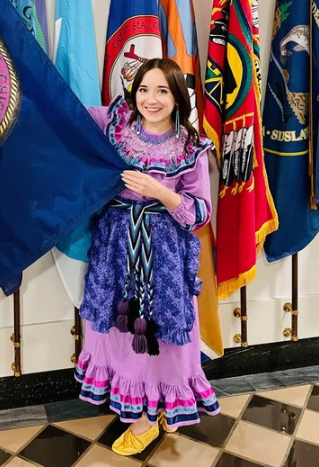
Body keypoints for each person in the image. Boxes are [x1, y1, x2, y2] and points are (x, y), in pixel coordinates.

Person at [74, 57, 220, 456]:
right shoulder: (115, 123)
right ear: (132, 93)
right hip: (115, 249)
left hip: (165, 256)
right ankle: (141, 412)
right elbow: (64, 113)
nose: (151, 99)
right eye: (143, 89)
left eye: (162, 91)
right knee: (120, 327)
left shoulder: (190, 146)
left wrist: (161, 192)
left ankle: (161, 406)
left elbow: (200, 213)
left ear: (177, 97)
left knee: (163, 330)